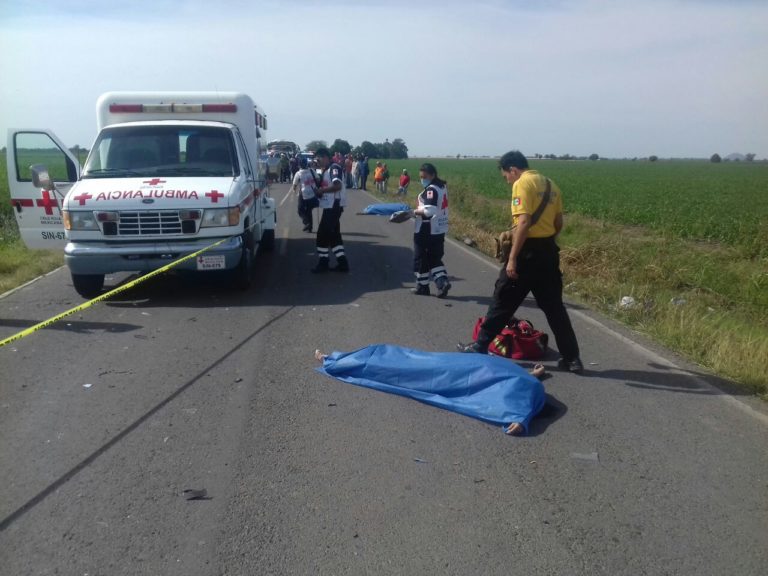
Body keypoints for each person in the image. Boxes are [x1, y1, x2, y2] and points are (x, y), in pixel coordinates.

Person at [462, 150, 584, 374]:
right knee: (555, 309)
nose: (507, 181)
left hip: (526, 253)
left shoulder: (522, 184)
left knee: (503, 299)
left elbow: (524, 223)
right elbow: (558, 222)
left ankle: (480, 346)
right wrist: (547, 240)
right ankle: (572, 359)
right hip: (548, 253)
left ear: (513, 169)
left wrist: (512, 258)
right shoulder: (551, 185)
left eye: (506, 176)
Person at [412, 162, 451, 298]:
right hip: (439, 228)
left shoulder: (431, 190)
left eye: (424, 177)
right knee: (434, 258)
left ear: (432, 175)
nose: (422, 179)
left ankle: (422, 286)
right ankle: (442, 282)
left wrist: (413, 212)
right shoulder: (442, 187)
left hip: (427, 227)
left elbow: (430, 211)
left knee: (420, 258)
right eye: (421, 177)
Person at [311, 147, 349, 273]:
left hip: (334, 206)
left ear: (325, 157)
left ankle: (323, 263)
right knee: (334, 236)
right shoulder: (326, 170)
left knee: (322, 235)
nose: (318, 162)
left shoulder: (334, 168)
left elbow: (337, 186)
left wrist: (322, 190)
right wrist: (320, 192)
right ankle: (342, 263)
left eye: (319, 159)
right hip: (330, 206)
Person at [292, 156, 319, 232]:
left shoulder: (298, 173)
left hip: (303, 194)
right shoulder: (311, 171)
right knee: (309, 211)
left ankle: (306, 222)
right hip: (312, 193)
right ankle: (310, 227)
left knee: (300, 210)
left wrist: (294, 191)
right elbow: (317, 179)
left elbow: (294, 184)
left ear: (299, 165)